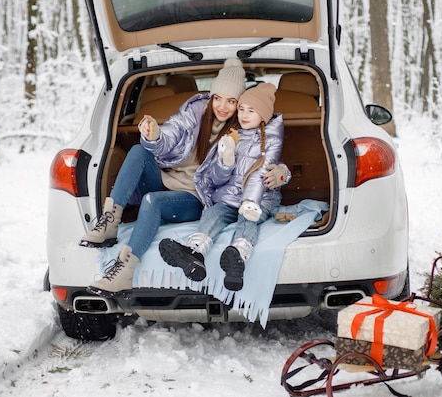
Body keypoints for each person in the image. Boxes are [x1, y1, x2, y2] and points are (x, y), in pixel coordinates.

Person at [80, 59, 290, 297]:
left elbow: (258, 161)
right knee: (139, 150)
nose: (222, 106)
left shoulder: (243, 130)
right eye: (218, 98)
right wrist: (156, 134)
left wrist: (272, 172)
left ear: (239, 104)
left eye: (232, 101)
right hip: (167, 179)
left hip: (195, 196)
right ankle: (110, 220)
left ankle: (124, 270)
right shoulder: (196, 110)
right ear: (210, 96)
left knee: (152, 200)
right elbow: (174, 130)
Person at [159, 83, 286, 291]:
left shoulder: (271, 139)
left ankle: (237, 257)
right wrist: (225, 160)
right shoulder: (231, 134)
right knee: (213, 213)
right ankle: (194, 253)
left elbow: (261, 172)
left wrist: (252, 201)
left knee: (247, 220)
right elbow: (216, 179)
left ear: (263, 115)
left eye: (251, 111)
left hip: (259, 199)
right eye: (242, 109)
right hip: (229, 196)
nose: (244, 115)